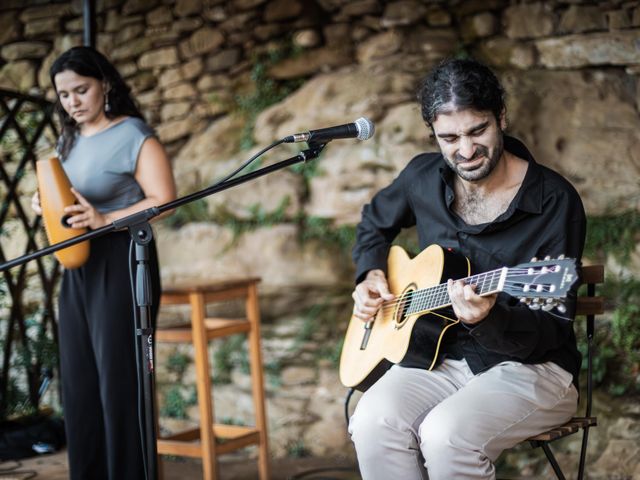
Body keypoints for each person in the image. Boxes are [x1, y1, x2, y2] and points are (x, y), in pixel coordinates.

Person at [348, 58, 586, 479]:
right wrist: (370, 274)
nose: (466, 149)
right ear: (433, 135)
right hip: (442, 356)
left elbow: (550, 328)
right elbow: (373, 223)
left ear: (501, 118)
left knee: (446, 434)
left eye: (478, 130)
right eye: (449, 137)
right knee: (371, 421)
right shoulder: (422, 177)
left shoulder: (552, 200)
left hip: (534, 367)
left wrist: (489, 319)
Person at [31, 46, 176, 480]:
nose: (73, 101)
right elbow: (67, 198)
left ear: (105, 85)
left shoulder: (135, 135)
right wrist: (45, 202)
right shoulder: (68, 141)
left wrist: (105, 218)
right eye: (64, 94)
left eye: (81, 89)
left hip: (123, 261)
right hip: (77, 268)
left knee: (120, 385)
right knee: (79, 384)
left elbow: (164, 201)